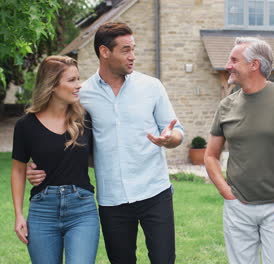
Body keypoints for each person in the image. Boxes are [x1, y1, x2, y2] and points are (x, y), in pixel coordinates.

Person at [26, 22, 184, 264]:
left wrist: (169, 139)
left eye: (133, 49)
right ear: (104, 52)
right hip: (113, 200)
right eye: (125, 50)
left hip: (155, 192)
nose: (132, 56)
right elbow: (56, 131)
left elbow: (178, 132)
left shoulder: (152, 87)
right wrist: (38, 166)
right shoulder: (83, 94)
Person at [204, 37, 274, 264]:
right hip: (238, 206)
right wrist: (226, 192)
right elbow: (210, 155)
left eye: (234, 60)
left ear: (254, 65)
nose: (228, 65)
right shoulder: (226, 105)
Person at [11, 56, 99, 263]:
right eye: (71, 80)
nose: (78, 86)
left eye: (78, 79)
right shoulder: (25, 125)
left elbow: (96, 159)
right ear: (52, 85)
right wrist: (18, 215)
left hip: (82, 210)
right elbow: (17, 170)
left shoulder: (84, 119)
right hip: (42, 211)